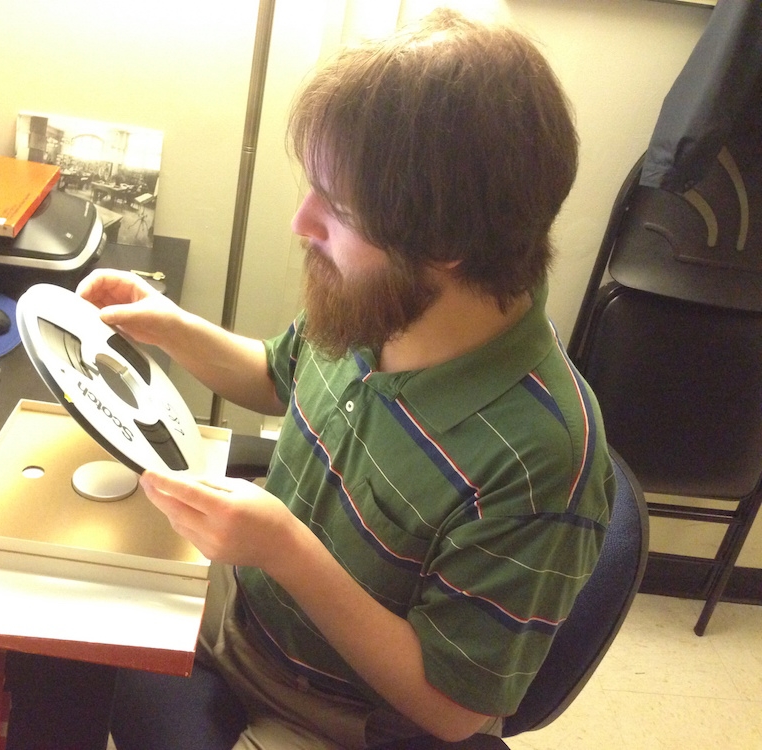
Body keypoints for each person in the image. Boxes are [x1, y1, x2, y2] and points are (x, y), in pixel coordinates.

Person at [76, 8, 613, 749]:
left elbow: (454, 711)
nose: (302, 222)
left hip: (348, 716)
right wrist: (168, 324)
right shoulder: (379, 302)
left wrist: (284, 550)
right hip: (246, 612)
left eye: (338, 207)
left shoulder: (540, 459)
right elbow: (277, 376)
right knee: (41, 628)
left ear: (446, 244)